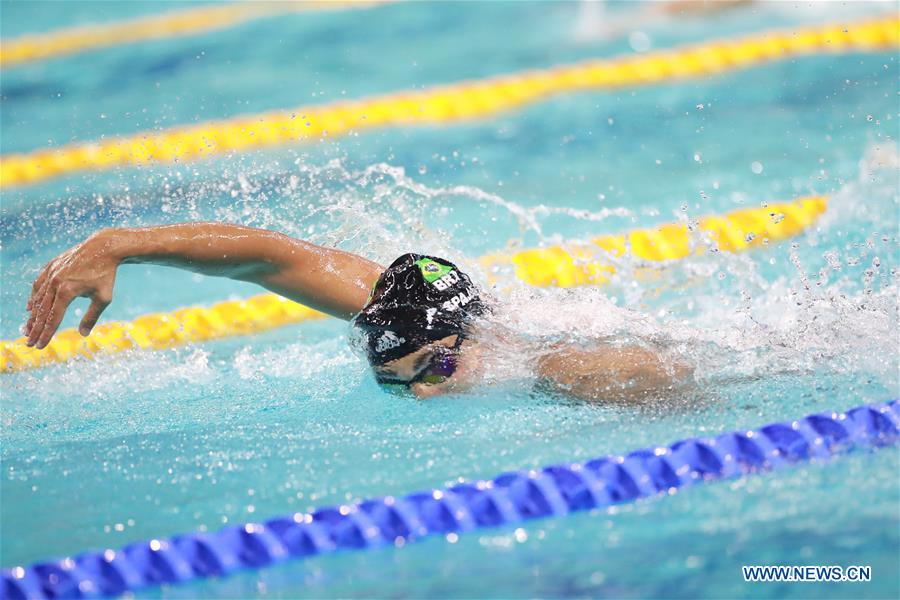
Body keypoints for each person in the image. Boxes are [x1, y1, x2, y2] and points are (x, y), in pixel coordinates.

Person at [23, 223, 691, 402]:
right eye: (397, 385)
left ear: (474, 337)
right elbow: (269, 258)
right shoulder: (401, 314)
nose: (425, 395)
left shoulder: (571, 370)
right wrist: (118, 245)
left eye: (438, 367)